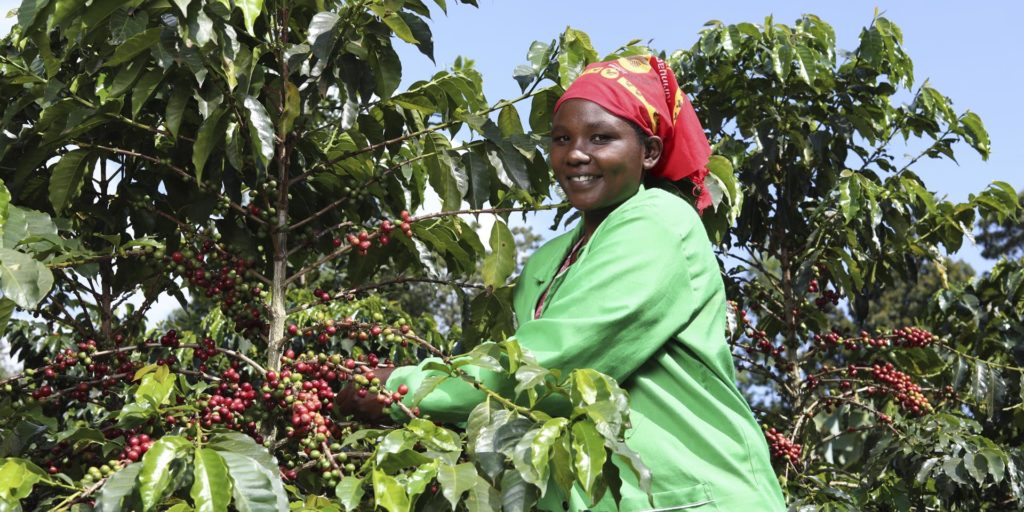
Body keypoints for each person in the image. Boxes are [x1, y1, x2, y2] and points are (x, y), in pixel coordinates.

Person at [380, 55, 787, 511]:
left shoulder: (659, 225)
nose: (575, 153)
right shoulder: (547, 261)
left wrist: (399, 390)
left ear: (648, 152)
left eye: (601, 137)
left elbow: (553, 364)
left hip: (694, 495)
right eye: (561, 139)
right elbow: (521, 399)